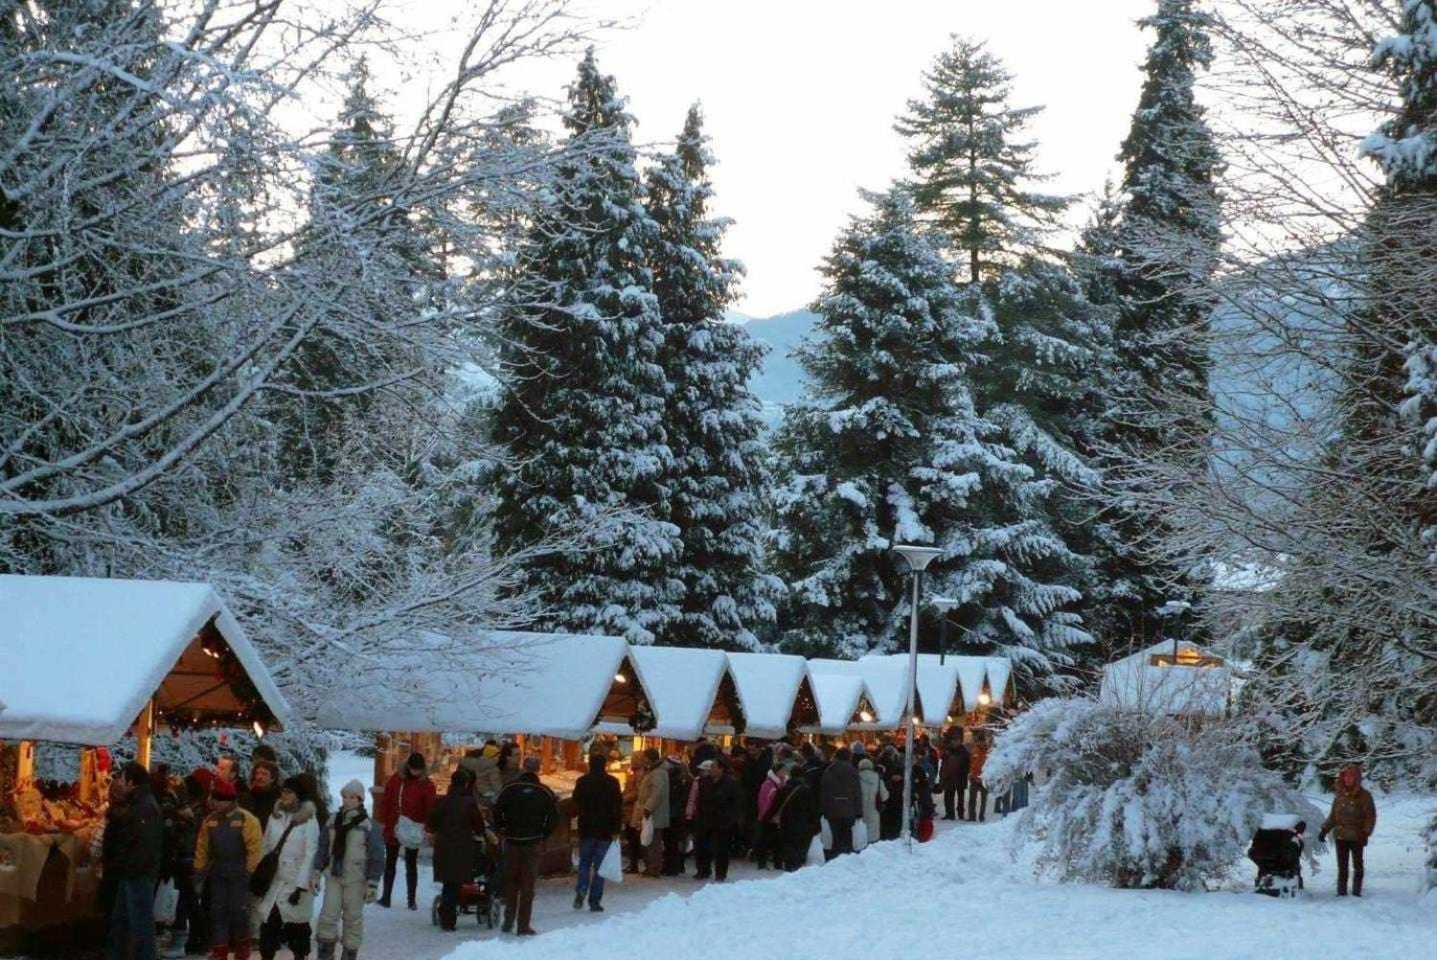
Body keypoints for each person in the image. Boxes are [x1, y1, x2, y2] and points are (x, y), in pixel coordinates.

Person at [195, 777, 263, 960]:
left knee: (237, 910)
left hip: (239, 872)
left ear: (230, 800)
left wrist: (249, 871)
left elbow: (254, 847)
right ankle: (220, 949)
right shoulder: (210, 820)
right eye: (215, 800)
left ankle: (243, 945)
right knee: (217, 910)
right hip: (218, 871)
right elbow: (203, 847)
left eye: (220, 800)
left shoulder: (246, 819)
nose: (216, 804)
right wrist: (199, 871)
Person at [316, 780, 384, 960]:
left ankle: (349, 953)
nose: (347, 801)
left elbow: (377, 855)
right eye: (345, 797)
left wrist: (373, 883)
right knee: (328, 914)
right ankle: (325, 952)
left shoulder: (368, 825)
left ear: (360, 800)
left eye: (352, 797)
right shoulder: (332, 820)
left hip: (356, 878)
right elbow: (323, 847)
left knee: (353, 917)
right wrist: (316, 871)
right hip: (334, 875)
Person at [104, 761, 164, 960]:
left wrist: (129, 866)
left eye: (122, 778)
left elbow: (144, 844)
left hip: (138, 874)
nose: (119, 782)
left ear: (132, 782)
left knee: (140, 924)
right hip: (132, 872)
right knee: (122, 921)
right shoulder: (139, 803)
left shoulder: (144, 807)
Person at [254, 777, 319, 960]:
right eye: (283, 791)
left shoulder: (309, 820)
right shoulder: (275, 816)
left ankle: (300, 956)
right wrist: (261, 875)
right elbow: (266, 846)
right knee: (268, 924)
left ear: (298, 796)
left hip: (297, 879)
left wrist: (301, 886)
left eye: (289, 792)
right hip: (276, 879)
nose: (285, 795)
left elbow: (310, 853)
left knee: (297, 927)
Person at [493, 757, 558, 935]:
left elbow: (496, 810)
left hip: (512, 841)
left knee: (511, 882)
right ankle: (523, 925)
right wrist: (543, 834)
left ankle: (508, 919)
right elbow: (554, 817)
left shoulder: (509, 789)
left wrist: (502, 829)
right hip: (532, 842)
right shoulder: (544, 792)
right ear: (538, 770)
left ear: (523, 768)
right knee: (528, 886)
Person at [426, 767, 486, 931]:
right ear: (466, 784)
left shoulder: (442, 801)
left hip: (444, 847)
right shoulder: (469, 803)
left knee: (449, 882)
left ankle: (446, 911)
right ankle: (448, 919)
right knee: (455, 882)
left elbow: (431, 823)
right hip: (462, 847)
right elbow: (479, 827)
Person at [376, 752, 436, 910]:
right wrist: (383, 822)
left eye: (419, 770)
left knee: (410, 863)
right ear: (409, 767)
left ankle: (411, 900)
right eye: (414, 769)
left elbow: (430, 809)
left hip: (412, 828)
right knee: (391, 861)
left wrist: (429, 828)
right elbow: (386, 801)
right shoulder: (397, 780)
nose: (416, 772)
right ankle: (387, 896)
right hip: (394, 825)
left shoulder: (424, 784)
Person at [572, 752, 622, 911]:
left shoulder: (582, 781)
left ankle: (581, 888)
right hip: (606, 830)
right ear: (605, 765)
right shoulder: (612, 782)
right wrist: (616, 828)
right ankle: (595, 901)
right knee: (601, 867)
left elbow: (576, 801)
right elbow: (617, 807)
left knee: (584, 863)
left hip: (586, 828)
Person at [1318, 764, 1378, 897]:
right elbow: (1333, 816)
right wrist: (1324, 829)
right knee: (1342, 866)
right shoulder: (1339, 796)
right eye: (1346, 776)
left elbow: (1371, 816)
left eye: (1351, 776)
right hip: (1341, 836)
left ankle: (1356, 892)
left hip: (1357, 836)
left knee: (1358, 866)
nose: (1348, 779)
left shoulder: (1365, 796)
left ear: (1357, 778)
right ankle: (1341, 892)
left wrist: (1366, 832)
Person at [692, 756, 741, 881]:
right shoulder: (704, 781)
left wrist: (731, 819)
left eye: (714, 767)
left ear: (721, 769)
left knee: (721, 849)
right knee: (702, 846)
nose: (711, 769)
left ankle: (720, 873)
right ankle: (703, 870)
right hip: (704, 820)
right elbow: (699, 800)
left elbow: (737, 804)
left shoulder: (731, 784)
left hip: (722, 822)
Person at [774, 763, 818, 871]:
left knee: (788, 846)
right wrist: (814, 824)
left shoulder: (783, 790)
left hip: (786, 823)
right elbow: (812, 809)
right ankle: (797, 868)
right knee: (799, 848)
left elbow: (776, 806)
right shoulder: (806, 791)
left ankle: (789, 867)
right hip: (803, 824)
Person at [820, 747, 862, 859]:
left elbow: (824, 792)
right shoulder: (853, 771)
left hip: (832, 810)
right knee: (847, 836)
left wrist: (824, 809)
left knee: (836, 837)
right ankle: (846, 859)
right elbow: (857, 792)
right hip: (849, 809)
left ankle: (835, 859)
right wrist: (858, 811)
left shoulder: (829, 770)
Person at [636, 747, 669, 877]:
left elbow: (657, 792)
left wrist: (648, 808)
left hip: (654, 814)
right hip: (653, 813)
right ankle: (652, 866)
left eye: (644, 758)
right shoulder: (656, 771)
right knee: (650, 840)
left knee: (653, 841)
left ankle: (654, 868)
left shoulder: (658, 773)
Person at [662, 754, 692, 876]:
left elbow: (676, 798)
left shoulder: (676, 780)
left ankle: (672, 867)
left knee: (672, 842)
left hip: (674, 815)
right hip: (677, 814)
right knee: (674, 842)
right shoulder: (683, 780)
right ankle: (674, 865)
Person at [754, 762, 784, 869]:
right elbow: (763, 802)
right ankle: (762, 863)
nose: (784, 773)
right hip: (768, 817)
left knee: (776, 842)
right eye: (782, 771)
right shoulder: (768, 784)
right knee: (765, 841)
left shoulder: (781, 783)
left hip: (775, 818)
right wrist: (766, 815)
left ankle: (777, 863)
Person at [940, 728, 970, 821]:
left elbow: (967, 765)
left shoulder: (964, 751)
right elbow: (943, 762)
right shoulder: (948, 750)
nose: (954, 742)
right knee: (948, 796)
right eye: (953, 741)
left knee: (960, 797)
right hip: (949, 777)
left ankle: (960, 814)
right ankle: (949, 814)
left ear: (960, 741)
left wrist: (962, 771)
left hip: (960, 777)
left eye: (956, 741)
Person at [241, 761, 282, 829]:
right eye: (257, 773)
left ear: (273, 778)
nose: (259, 777)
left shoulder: (279, 798)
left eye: (264, 774)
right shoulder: (247, 796)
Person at [857, 757, 888, 846]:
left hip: (860, 812)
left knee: (861, 835)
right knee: (873, 840)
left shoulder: (856, 778)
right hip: (874, 811)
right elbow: (884, 796)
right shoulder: (878, 778)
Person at [622, 754, 644, 873]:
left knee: (634, 840)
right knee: (632, 840)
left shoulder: (639, 778)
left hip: (633, 813)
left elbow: (638, 793)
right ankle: (633, 864)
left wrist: (624, 798)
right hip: (629, 813)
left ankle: (634, 865)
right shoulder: (633, 777)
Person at [877, 746, 904, 841]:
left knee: (885, 818)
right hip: (894, 795)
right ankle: (893, 836)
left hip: (884, 797)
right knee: (893, 818)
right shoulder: (895, 764)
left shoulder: (878, 763)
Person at [967, 735, 990, 822]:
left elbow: (989, 766)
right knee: (972, 799)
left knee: (984, 799)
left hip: (984, 778)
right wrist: (973, 776)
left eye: (982, 741)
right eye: (979, 741)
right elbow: (971, 765)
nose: (980, 743)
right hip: (974, 778)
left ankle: (981, 816)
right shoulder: (974, 751)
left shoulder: (988, 752)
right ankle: (972, 816)